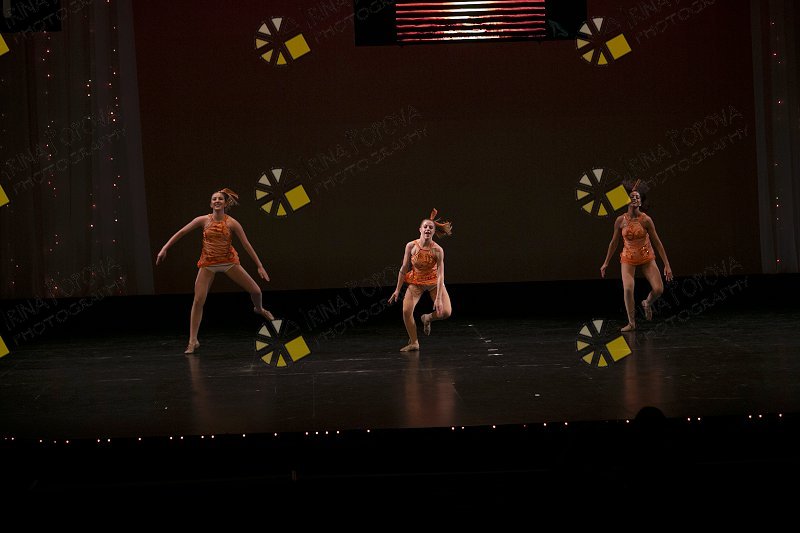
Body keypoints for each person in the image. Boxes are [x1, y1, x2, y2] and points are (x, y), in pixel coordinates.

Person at [156, 188, 274, 354]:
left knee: (256, 291)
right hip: (208, 263)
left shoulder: (232, 223)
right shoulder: (203, 220)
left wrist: (259, 265)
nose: (217, 201)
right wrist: (165, 248)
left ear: (225, 203)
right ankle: (193, 340)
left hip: (228, 262)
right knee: (198, 300)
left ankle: (259, 309)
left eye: (220, 199)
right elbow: (182, 232)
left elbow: (246, 244)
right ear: (211, 204)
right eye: (214, 199)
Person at [600, 181, 673, 332]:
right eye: (632, 197)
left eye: (638, 197)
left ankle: (647, 303)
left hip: (646, 257)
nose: (635, 199)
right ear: (627, 200)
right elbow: (614, 243)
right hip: (628, 258)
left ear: (641, 202)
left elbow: (657, 243)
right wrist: (606, 262)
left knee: (659, 289)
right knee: (628, 289)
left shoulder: (646, 220)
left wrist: (667, 264)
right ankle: (632, 323)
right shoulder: (620, 221)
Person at [388, 208, 453, 351]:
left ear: (434, 232)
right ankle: (414, 342)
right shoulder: (411, 246)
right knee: (406, 311)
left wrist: (438, 299)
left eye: (431, 227)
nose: (428, 229)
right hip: (416, 282)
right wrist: (397, 289)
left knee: (445, 312)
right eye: (425, 227)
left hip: (434, 282)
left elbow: (441, 275)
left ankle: (427, 318)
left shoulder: (438, 250)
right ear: (420, 229)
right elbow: (404, 268)